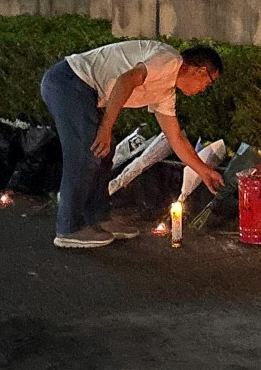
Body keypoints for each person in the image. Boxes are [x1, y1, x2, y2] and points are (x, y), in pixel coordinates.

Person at [40, 40, 225, 248]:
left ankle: (99, 218)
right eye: (208, 82)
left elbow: (176, 138)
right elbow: (127, 80)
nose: (203, 89)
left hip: (84, 91)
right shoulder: (170, 61)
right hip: (69, 82)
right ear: (200, 71)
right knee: (87, 153)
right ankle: (69, 228)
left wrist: (204, 172)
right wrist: (106, 127)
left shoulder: (165, 91)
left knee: (103, 154)